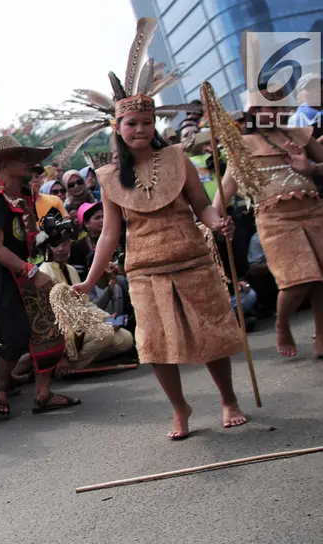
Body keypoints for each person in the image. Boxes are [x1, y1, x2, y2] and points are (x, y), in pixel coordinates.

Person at [77, 76, 247, 440]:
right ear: (118, 128)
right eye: (132, 123)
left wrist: (219, 224)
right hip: (144, 269)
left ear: (154, 125)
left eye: (146, 122)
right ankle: (179, 408)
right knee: (154, 346)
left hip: (192, 259)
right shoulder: (108, 176)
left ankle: (228, 399)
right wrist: (90, 281)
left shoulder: (177, 158)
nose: (140, 129)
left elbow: (202, 205)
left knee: (212, 335)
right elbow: (110, 233)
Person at [0, 83, 78, 416]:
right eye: (21, 158)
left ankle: (42, 394)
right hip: (2, 276)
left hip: (22, 272)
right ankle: (1, 387)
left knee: (47, 326)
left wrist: (46, 239)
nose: (28, 164)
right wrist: (30, 271)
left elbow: (24, 240)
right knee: (16, 334)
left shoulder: (19, 200)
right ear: (4, 165)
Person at [214, 102, 323, 358]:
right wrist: (216, 219)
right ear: (254, 110)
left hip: (314, 212)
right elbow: (226, 188)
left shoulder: (301, 134)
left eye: (279, 108)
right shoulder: (241, 144)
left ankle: (321, 334)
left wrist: (311, 169)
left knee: (321, 280)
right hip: (275, 220)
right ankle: (282, 324)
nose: (274, 114)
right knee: (296, 282)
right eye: (267, 109)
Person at [38, 231, 134, 372]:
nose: (60, 249)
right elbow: (52, 316)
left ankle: (82, 360)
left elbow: (84, 304)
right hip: (63, 331)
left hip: (81, 326)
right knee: (106, 332)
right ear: (47, 248)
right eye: (55, 245)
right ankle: (67, 365)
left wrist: (104, 317)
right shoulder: (45, 271)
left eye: (64, 244)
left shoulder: (71, 270)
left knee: (126, 339)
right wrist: (63, 353)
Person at [72, 202, 104, 270]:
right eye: (97, 218)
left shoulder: (115, 240)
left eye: (103, 217)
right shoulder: (77, 247)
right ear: (86, 223)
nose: (102, 220)